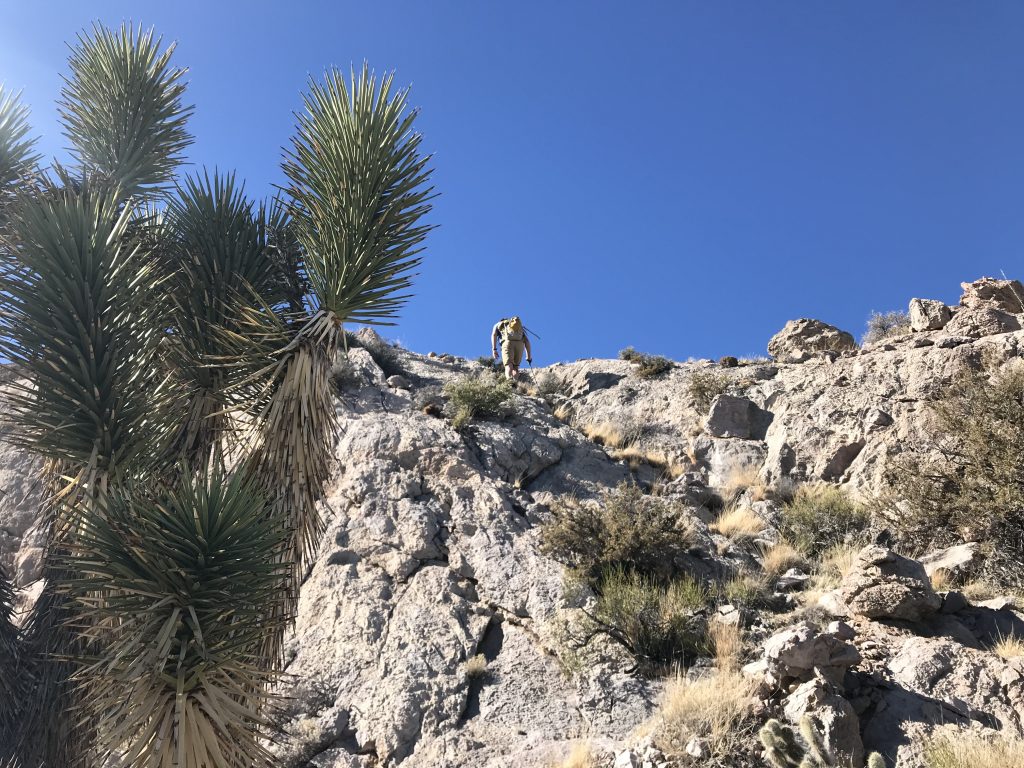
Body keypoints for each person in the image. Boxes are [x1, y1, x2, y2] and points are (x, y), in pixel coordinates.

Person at [491, 316, 532, 380]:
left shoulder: (498, 324)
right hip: (520, 345)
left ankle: (509, 382)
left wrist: (494, 349)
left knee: (508, 365)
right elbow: (527, 342)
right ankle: (515, 382)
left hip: (508, 343)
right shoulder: (519, 328)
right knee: (516, 368)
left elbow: (494, 335)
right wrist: (529, 357)